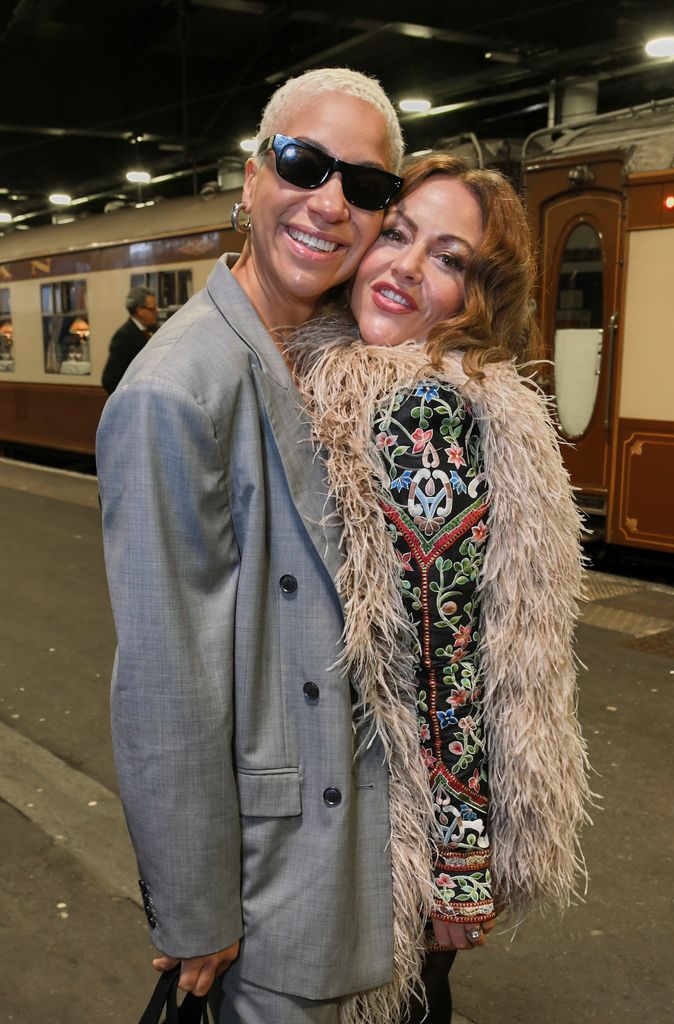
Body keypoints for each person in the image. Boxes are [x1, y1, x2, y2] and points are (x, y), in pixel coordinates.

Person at [96, 68, 410, 1024]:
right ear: (250, 176)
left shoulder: (345, 354)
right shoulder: (174, 390)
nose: (329, 203)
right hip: (269, 876)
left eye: (365, 186)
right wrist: (196, 907)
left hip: (358, 843)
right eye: (304, 163)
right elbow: (164, 674)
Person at [288, 153, 591, 1024]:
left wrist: (458, 866)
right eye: (398, 234)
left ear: (474, 295)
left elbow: (446, 649)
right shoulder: (348, 375)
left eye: (450, 259)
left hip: (395, 827)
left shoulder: (424, 411)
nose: (409, 268)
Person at [101, 286, 159, 394]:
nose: (157, 312)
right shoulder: (124, 336)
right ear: (140, 311)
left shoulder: (154, 330)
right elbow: (109, 380)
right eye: (153, 308)